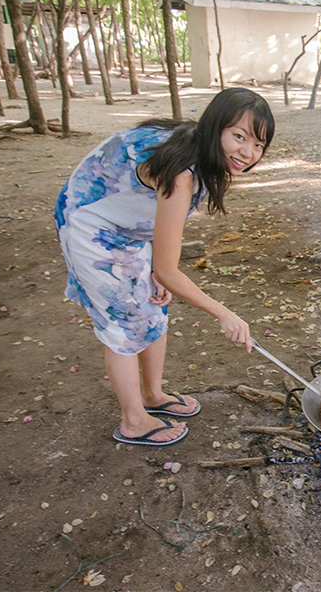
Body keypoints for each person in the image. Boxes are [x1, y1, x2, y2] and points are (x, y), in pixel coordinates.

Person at [54, 88, 274, 447]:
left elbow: (164, 256)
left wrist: (158, 270)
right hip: (90, 223)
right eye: (239, 137)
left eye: (259, 145)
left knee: (153, 306)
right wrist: (225, 314)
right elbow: (170, 269)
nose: (248, 153)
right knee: (126, 321)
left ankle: (154, 396)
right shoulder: (181, 170)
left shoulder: (202, 155)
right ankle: (133, 420)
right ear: (215, 126)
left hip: (126, 224)